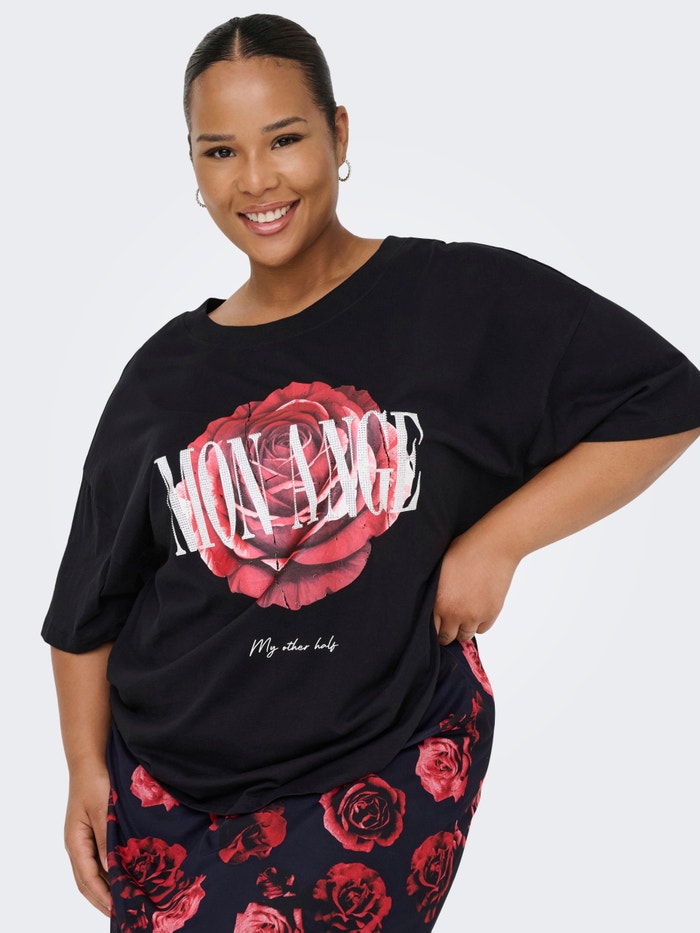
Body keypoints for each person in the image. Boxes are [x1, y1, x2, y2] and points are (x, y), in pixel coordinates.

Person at [42, 13, 700, 933]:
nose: (256, 179)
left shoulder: (454, 301)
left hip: (373, 765)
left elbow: (664, 397)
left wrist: (497, 543)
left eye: (284, 139)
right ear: (194, 167)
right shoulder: (160, 376)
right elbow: (89, 607)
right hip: (169, 795)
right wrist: (85, 768)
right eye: (221, 151)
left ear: (339, 134)